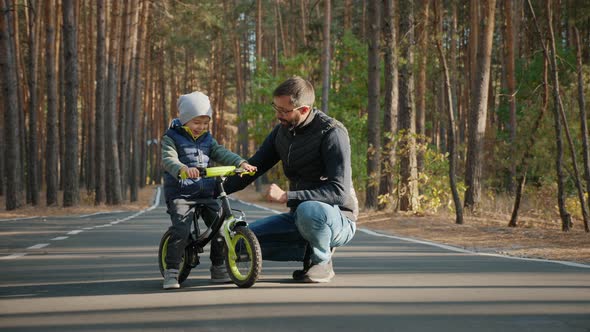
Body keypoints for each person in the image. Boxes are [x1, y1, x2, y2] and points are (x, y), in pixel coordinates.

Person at [225, 76, 358, 283]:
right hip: (299, 217)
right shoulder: (282, 133)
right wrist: (215, 189)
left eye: (284, 111)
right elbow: (254, 167)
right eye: (275, 108)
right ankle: (307, 251)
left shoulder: (332, 133)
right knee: (239, 241)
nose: (278, 115)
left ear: (304, 110)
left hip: (338, 219)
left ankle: (322, 262)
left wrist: (288, 195)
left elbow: (339, 193)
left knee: (308, 209)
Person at [161, 91, 257, 290]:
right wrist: (182, 169)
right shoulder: (171, 137)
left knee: (220, 227)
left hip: (206, 192)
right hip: (181, 193)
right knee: (181, 230)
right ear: (184, 119)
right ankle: (171, 271)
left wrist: (240, 162)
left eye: (206, 123)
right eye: (197, 122)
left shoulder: (207, 139)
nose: (201, 127)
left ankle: (219, 267)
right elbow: (168, 158)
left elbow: (221, 152)